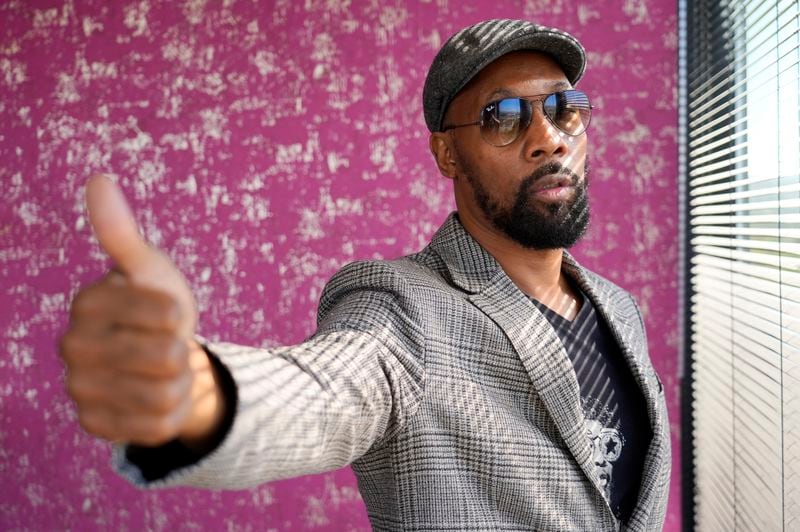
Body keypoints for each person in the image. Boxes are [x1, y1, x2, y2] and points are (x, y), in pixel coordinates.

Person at [59, 19, 670, 531]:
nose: (548, 139)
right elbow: (329, 388)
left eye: (565, 109)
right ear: (447, 153)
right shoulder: (402, 307)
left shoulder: (618, 309)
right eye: (503, 117)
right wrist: (198, 394)